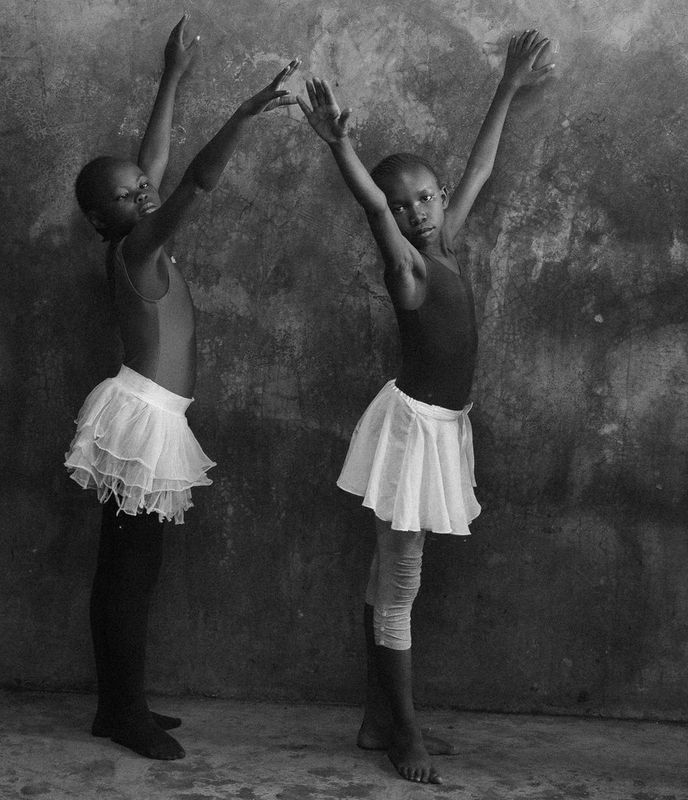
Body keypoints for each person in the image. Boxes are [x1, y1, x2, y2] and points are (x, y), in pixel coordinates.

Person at [298, 30, 555, 784]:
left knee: (391, 580)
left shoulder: (446, 240)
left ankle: (378, 718)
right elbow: (374, 206)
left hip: (445, 429)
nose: (413, 213)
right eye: (403, 206)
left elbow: (480, 166)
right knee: (400, 587)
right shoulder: (408, 266)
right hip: (411, 433)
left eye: (424, 198)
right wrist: (341, 149)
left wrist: (507, 85)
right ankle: (404, 731)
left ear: (439, 200)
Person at [64, 13, 299, 760]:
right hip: (142, 418)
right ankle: (122, 712)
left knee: (132, 568)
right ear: (107, 220)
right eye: (132, 195)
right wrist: (240, 112)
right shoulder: (138, 245)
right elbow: (193, 178)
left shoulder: (134, 226)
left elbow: (155, 164)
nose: (145, 192)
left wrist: (172, 76)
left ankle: (119, 705)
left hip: (150, 414)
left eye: (141, 187)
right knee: (129, 574)